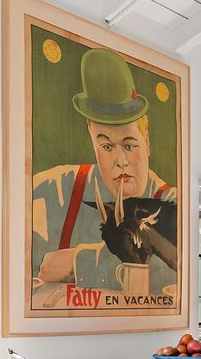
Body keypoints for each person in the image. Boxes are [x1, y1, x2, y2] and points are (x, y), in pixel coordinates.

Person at [30, 48, 178, 299]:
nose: (121, 162)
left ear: (147, 140)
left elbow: (177, 272)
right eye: (107, 146)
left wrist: (79, 262)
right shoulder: (50, 191)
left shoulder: (173, 203)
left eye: (130, 145)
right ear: (92, 141)